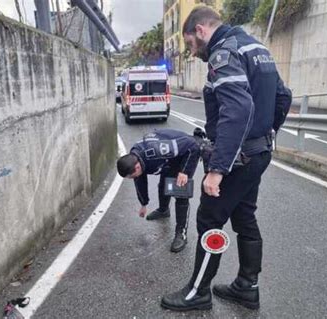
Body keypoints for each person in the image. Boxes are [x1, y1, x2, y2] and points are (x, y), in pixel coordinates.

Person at [160, 6, 292, 311]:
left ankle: (198, 292)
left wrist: (217, 169)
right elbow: (283, 97)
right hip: (258, 153)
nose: (192, 53)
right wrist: (265, 134)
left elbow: (237, 109)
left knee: (209, 217)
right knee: (244, 215)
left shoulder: (224, 53)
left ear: (201, 31)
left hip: (239, 158)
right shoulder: (257, 48)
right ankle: (248, 287)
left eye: (191, 44)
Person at [117, 129, 200, 253]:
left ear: (137, 166)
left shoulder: (158, 150)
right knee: (163, 185)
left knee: (181, 194)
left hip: (183, 156)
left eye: (132, 176)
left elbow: (192, 146)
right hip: (167, 162)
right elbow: (140, 181)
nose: (132, 179)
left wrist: (184, 172)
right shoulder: (134, 158)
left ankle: (181, 234)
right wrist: (143, 203)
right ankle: (163, 210)